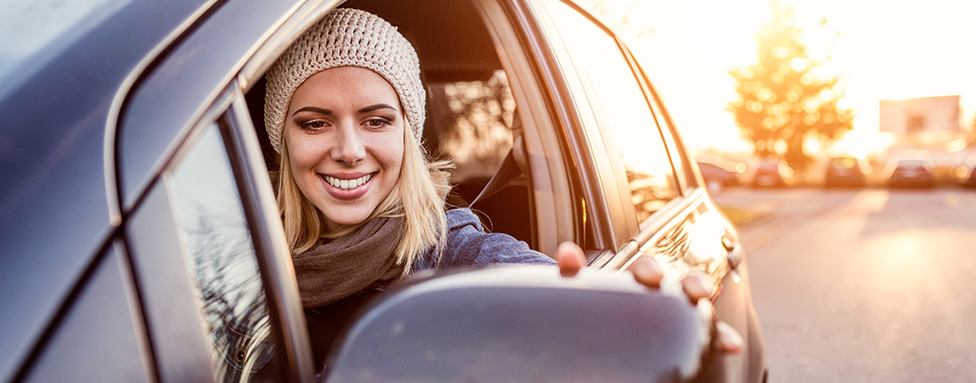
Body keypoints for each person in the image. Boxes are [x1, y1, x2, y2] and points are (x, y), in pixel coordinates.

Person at [263, 8, 741, 364]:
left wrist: (649, 326)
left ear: (408, 137)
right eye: (315, 124)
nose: (349, 149)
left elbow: (555, 302)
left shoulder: (461, 259)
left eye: (376, 121)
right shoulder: (224, 251)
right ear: (280, 141)